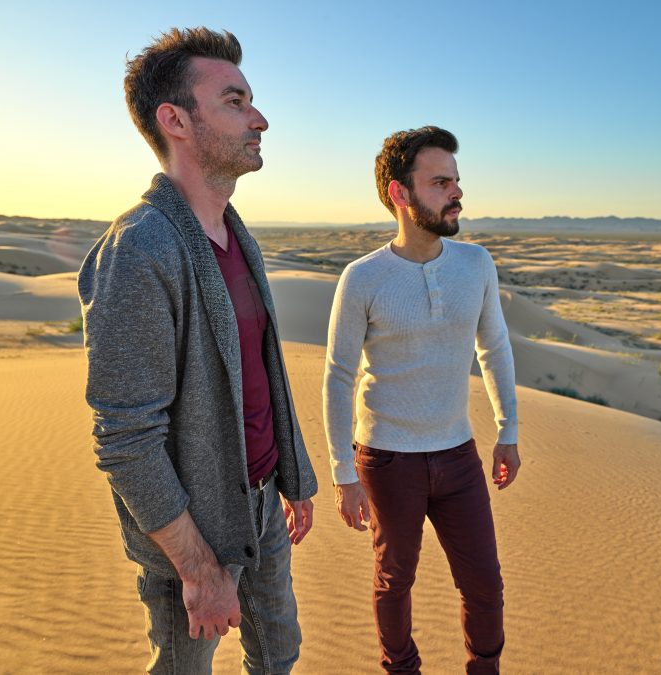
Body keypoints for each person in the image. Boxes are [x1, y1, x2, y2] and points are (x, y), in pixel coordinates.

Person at [78, 27, 317, 674]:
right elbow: (126, 438)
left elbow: (262, 369)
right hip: (192, 531)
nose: (259, 119)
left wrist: (292, 476)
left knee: (279, 654)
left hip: (262, 502)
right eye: (236, 102)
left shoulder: (234, 232)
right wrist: (197, 568)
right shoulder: (140, 248)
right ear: (176, 121)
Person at [323, 126, 521, 674]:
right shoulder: (362, 278)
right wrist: (343, 474)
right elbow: (338, 376)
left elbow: (494, 347)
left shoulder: (476, 263)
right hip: (387, 459)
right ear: (400, 193)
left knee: (485, 583)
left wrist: (508, 430)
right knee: (395, 581)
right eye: (440, 183)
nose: (456, 193)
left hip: (458, 454)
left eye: (455, 181)